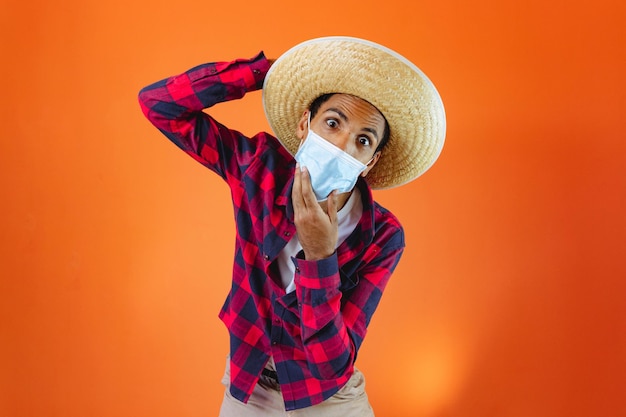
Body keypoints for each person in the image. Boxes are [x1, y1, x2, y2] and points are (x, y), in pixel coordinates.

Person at [138, 36, 446, 416]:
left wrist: (321, 256)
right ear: (305, 122)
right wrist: (267, 73)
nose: (342, 146)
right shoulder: (258, 168)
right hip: (250, 382)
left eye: (362, 141)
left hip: (329, 399)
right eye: (332, 123)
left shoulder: (382, 236)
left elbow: (331, 364)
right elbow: (160, 105)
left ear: (371, 160)